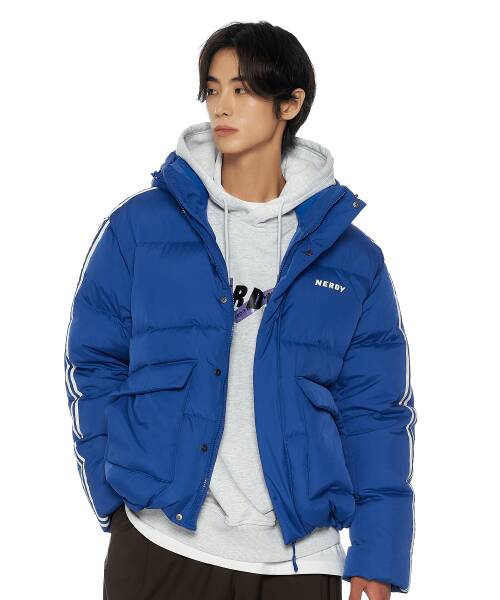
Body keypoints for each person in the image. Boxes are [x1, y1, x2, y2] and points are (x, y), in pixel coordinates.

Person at [64, 20, 416, 600]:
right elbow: (94, 361)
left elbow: (375, 412)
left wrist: (378, 553)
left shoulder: (353, 259)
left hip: (298, 560)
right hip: (160, 542)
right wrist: (116, 498)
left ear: (290, 104)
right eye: (212, 88)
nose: (221, 106)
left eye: (243, 90)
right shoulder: (140, 227)